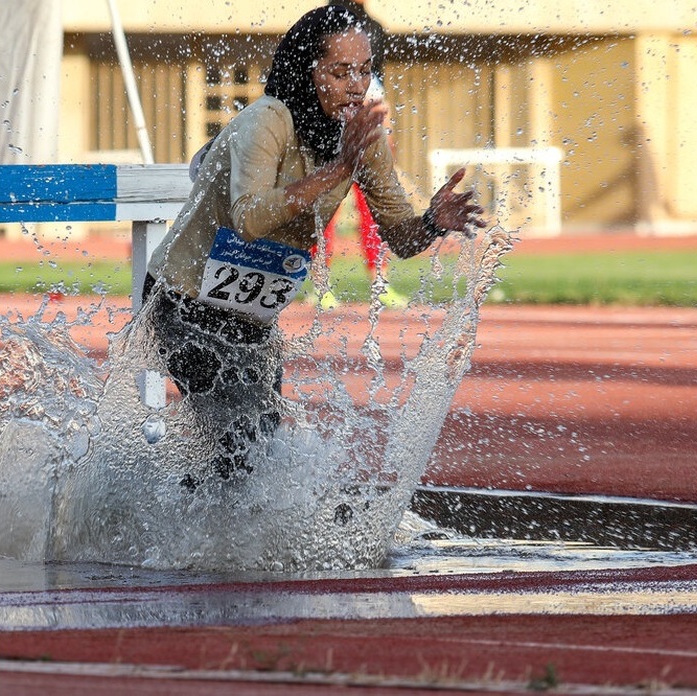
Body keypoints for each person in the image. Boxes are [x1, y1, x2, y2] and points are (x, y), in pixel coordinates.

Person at [139, 4, 486, 486]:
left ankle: (179, 520)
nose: (356, 85)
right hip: (180, 300)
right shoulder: (268, 120)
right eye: (340, 71)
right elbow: (250, 220)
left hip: (249, 312)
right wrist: (340, 168)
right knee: (238, 448)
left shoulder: (360, 139)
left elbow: (400, 237)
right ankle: (171, 532)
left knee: (259, 443)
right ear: (307, 71)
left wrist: (432, 221)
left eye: (364, 71)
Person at [314, 0, 402, 309]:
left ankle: (380, 280)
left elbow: (378, 88)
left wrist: (384, 134)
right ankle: (320, 285)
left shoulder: (375, 29)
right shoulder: (321, 25)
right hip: (331, 138)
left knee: (374, 212)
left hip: (366, 135)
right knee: (325, 212)